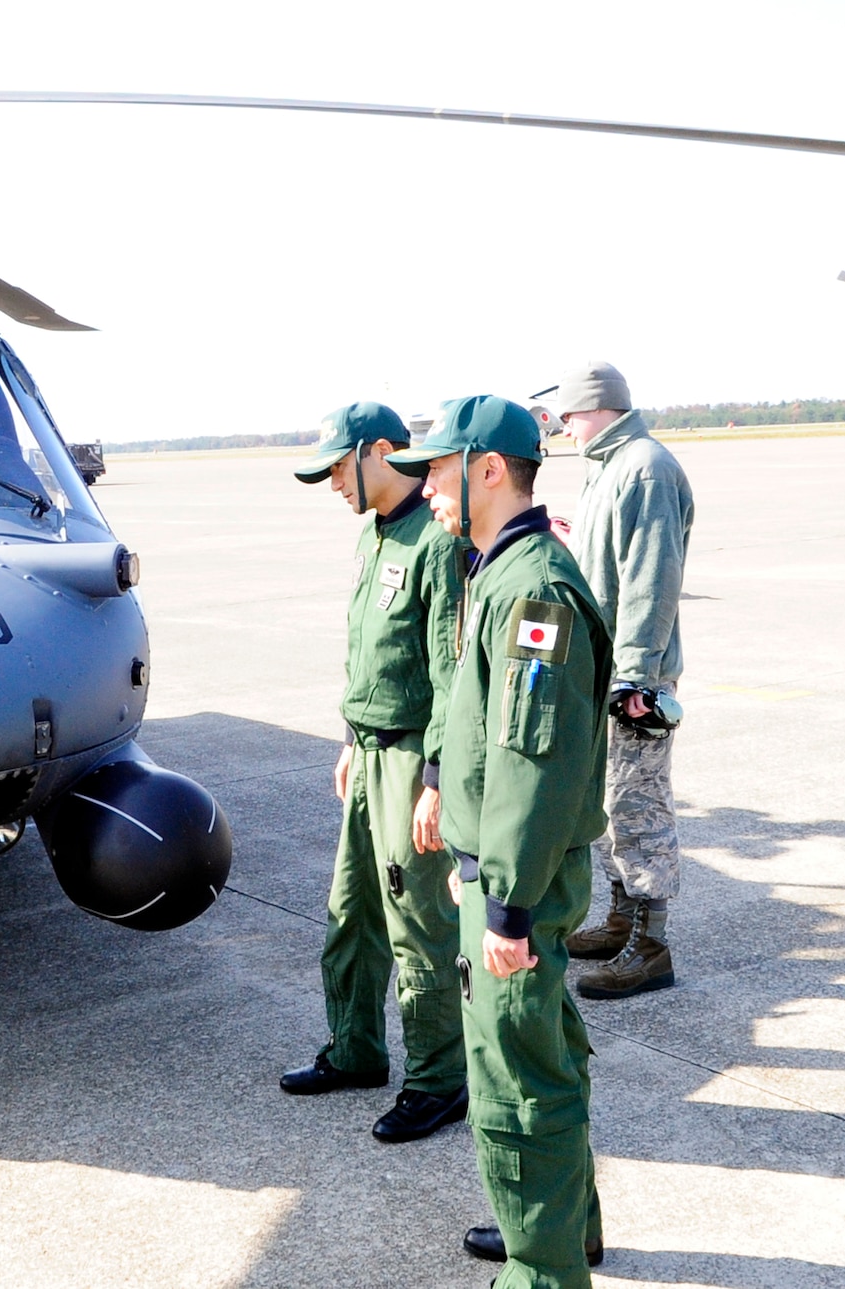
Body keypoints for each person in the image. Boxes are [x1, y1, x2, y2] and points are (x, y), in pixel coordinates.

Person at [387, 395, 611, 1287]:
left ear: (487, 469)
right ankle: (567, 1229)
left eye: (437, 469)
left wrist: (505, 901)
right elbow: (485, 722)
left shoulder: (533, 587)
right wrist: (444, 784)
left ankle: (542, 1270)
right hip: (506, 871)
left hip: (520, 882)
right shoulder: (498, 567)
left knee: (519, 1082)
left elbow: (533, 758)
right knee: (545, 1049)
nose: (425, 485)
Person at [281, 402, 470, 1143]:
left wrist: (435, 775)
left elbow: (450, 671)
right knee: (351, 910)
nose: (331, 484)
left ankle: (437, 1081)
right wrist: (350, 739)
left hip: (409, 760)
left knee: (417, 923)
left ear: (381, 451)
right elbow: (372, 655)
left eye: (336, 467)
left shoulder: (435, 540)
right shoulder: (374, 534)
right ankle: (355, 1050)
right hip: (367, 753)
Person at [551, 361, 695, 1001]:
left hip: (632, 681)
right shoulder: (608, 467)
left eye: (570, 415)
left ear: (598, 408)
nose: (565, 427)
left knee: (641, 810)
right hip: (604, 671)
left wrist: (634, 676)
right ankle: (619, 920)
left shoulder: (644, 468)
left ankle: (651, 945)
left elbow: (651, 580)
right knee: (612, 805)